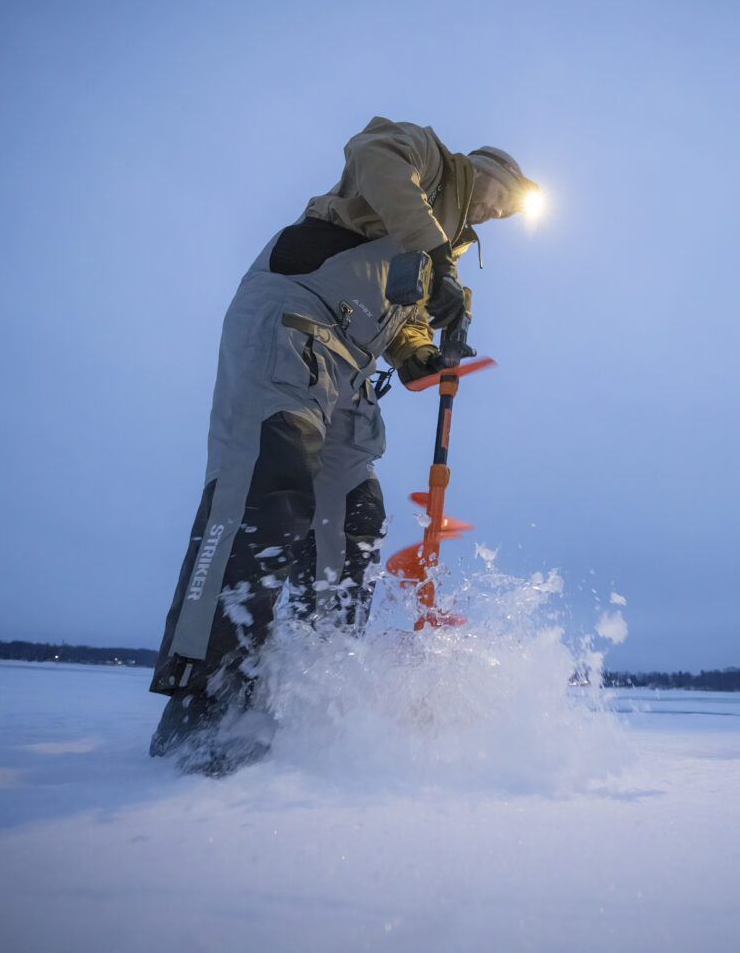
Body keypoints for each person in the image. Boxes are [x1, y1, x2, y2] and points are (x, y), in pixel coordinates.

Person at [149, 117, 536, 774]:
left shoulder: (439, 250)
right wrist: (433, 254)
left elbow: (403, 327)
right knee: (268, 491)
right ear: (487, 170)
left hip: (349, 367)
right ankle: (207, 697)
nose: (503, 211)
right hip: (293, 321)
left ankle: (307, 691)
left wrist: (422, 354)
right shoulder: (428, 161)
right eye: (507, 194)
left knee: (354, 516)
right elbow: (370, 153)